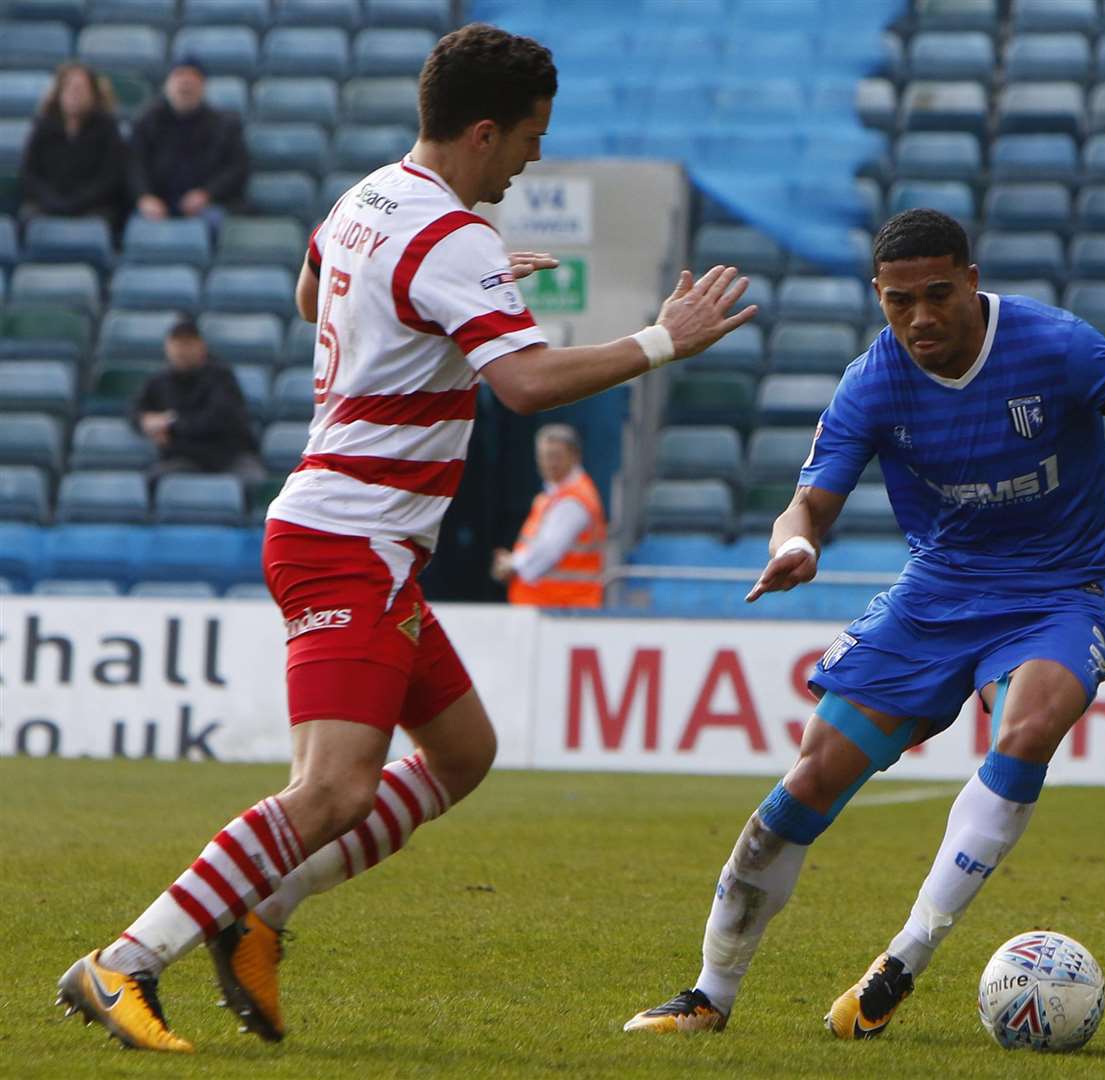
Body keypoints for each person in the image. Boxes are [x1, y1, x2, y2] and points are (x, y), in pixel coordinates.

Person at [55, 23, 755, 1054]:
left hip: (349, 534)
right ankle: (122, 961)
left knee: (462, 752)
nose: (531, 159)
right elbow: (520, 384)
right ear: (482, 131)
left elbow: (310, 298)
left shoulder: (368, 197)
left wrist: (443, 290)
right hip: (350, 539)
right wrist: (664, 339)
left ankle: (263, 910)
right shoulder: (451, 239)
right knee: (333, 787)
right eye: (527, 138)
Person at [625, 209, 1105, 1037]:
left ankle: (901, 960)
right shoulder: (872, 381)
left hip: (1061, 590)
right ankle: (708, 995)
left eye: (937, 294)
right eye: (897, 301)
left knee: (1028, 726)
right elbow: (809, 500)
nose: (919, 318)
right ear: (878, 298)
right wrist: (798, 543)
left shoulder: (1056, 347)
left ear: (971, 281)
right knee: (807, 784)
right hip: (936, 595)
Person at [131, 319, 265, 483]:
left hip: (229, 455)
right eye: (177, 344)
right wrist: (146, 422)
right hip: (184, 458)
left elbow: (215, 420)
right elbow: (136, 411)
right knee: (154, 480)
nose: (182, 351)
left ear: (201, 345)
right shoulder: (159, 381)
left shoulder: (221, 377)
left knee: (252, 481)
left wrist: (170, 424)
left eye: (188, 344)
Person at [491, 423, 606, 607]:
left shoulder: (573, 501)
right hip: (551, 607)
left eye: (556, 456)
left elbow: (548, 551)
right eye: (544, 456)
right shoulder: (553, 495)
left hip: (562, 610)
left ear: (574, 456)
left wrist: (512, 564)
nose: (549, 463)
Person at [128, 57, 247, 227]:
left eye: (193, 77)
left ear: (203, 86)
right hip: (157, 204)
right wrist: (145, 197)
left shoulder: (225, 125)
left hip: (209, 205)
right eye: (179, 76)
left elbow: (237, 168)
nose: (186, 83)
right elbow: (134, 165)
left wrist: (206, 194)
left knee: (215, 222)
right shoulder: (146, 122)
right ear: (167, 85)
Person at [19, 63, 130, 232]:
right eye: (69, 88)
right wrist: (53, 202)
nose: (74, 94)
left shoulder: (108, 128)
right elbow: (30, 174)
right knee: (28, 217)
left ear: (93, 93)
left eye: (81, 89)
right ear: (59, 92)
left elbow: (111, 177)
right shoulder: (43, 127)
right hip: (47, 204)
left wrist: (77, 203)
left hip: (94, 207)